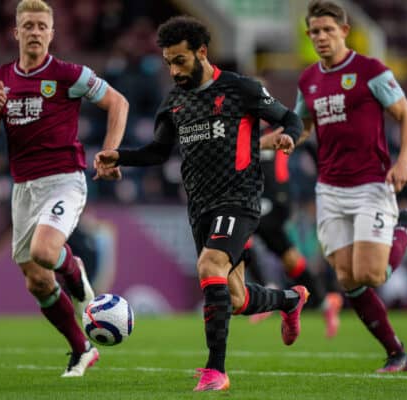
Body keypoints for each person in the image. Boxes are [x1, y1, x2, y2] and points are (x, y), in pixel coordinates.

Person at [95, 16, 309, 392]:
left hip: (239, 199)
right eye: (168, 62)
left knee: (209, 264)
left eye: (180, 60)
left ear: (202, 52)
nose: (174, 70)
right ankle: (290, 299)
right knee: (237, 298)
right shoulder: (174, 101)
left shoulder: (240, 88)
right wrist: (118, 157)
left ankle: (216, 370)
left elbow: (289, 117)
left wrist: (289, 136)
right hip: (200, 207)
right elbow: (158, 152)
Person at [0, 0, 129, 377]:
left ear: (52, 33)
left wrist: (110, 151)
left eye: (41, 26)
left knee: (46, 252)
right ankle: (81, 349)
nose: (34, 32)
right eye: (27, 26)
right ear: (16, 32)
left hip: (64, 179)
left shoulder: (68, 74)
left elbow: (118, 102)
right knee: (37, 280)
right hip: (23, 188)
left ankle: (75, 274)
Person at [294, 0, 407, 373]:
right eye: (314, 32)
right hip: (329, 189)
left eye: (327, 30)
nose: (320, 37)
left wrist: (403, 162)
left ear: (344, 30)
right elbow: (301, 125)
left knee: (372, 275)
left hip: (371, 183)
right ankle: (396, 353)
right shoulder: (308, 79)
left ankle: (405, 227)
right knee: (347, 279)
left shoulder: (370, 70)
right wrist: (274, 139)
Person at [247, 121, 343, 338]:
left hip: (277, 200)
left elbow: (308, 142)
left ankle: (266, 289)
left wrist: (324, 175)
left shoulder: (278, 131)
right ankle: (326, 302)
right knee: (289, 258)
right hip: (256, 200)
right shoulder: (245, 133)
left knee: (242, 232)